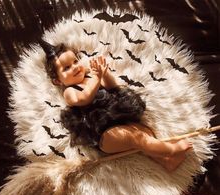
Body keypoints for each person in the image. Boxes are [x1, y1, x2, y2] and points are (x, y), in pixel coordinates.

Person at [40, 40, 193, 171]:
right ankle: (170, 150)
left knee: (145, 132)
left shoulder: (89, 76)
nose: (74, 67)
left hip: (119, 122)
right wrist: (96, 77)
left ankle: (167, 162)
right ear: (58, 81)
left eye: (75, 61)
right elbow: (85, 98)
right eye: (66, 68)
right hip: (104, 135)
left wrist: (105, 74)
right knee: (138, 138)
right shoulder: (70, 91)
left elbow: (113, 88)